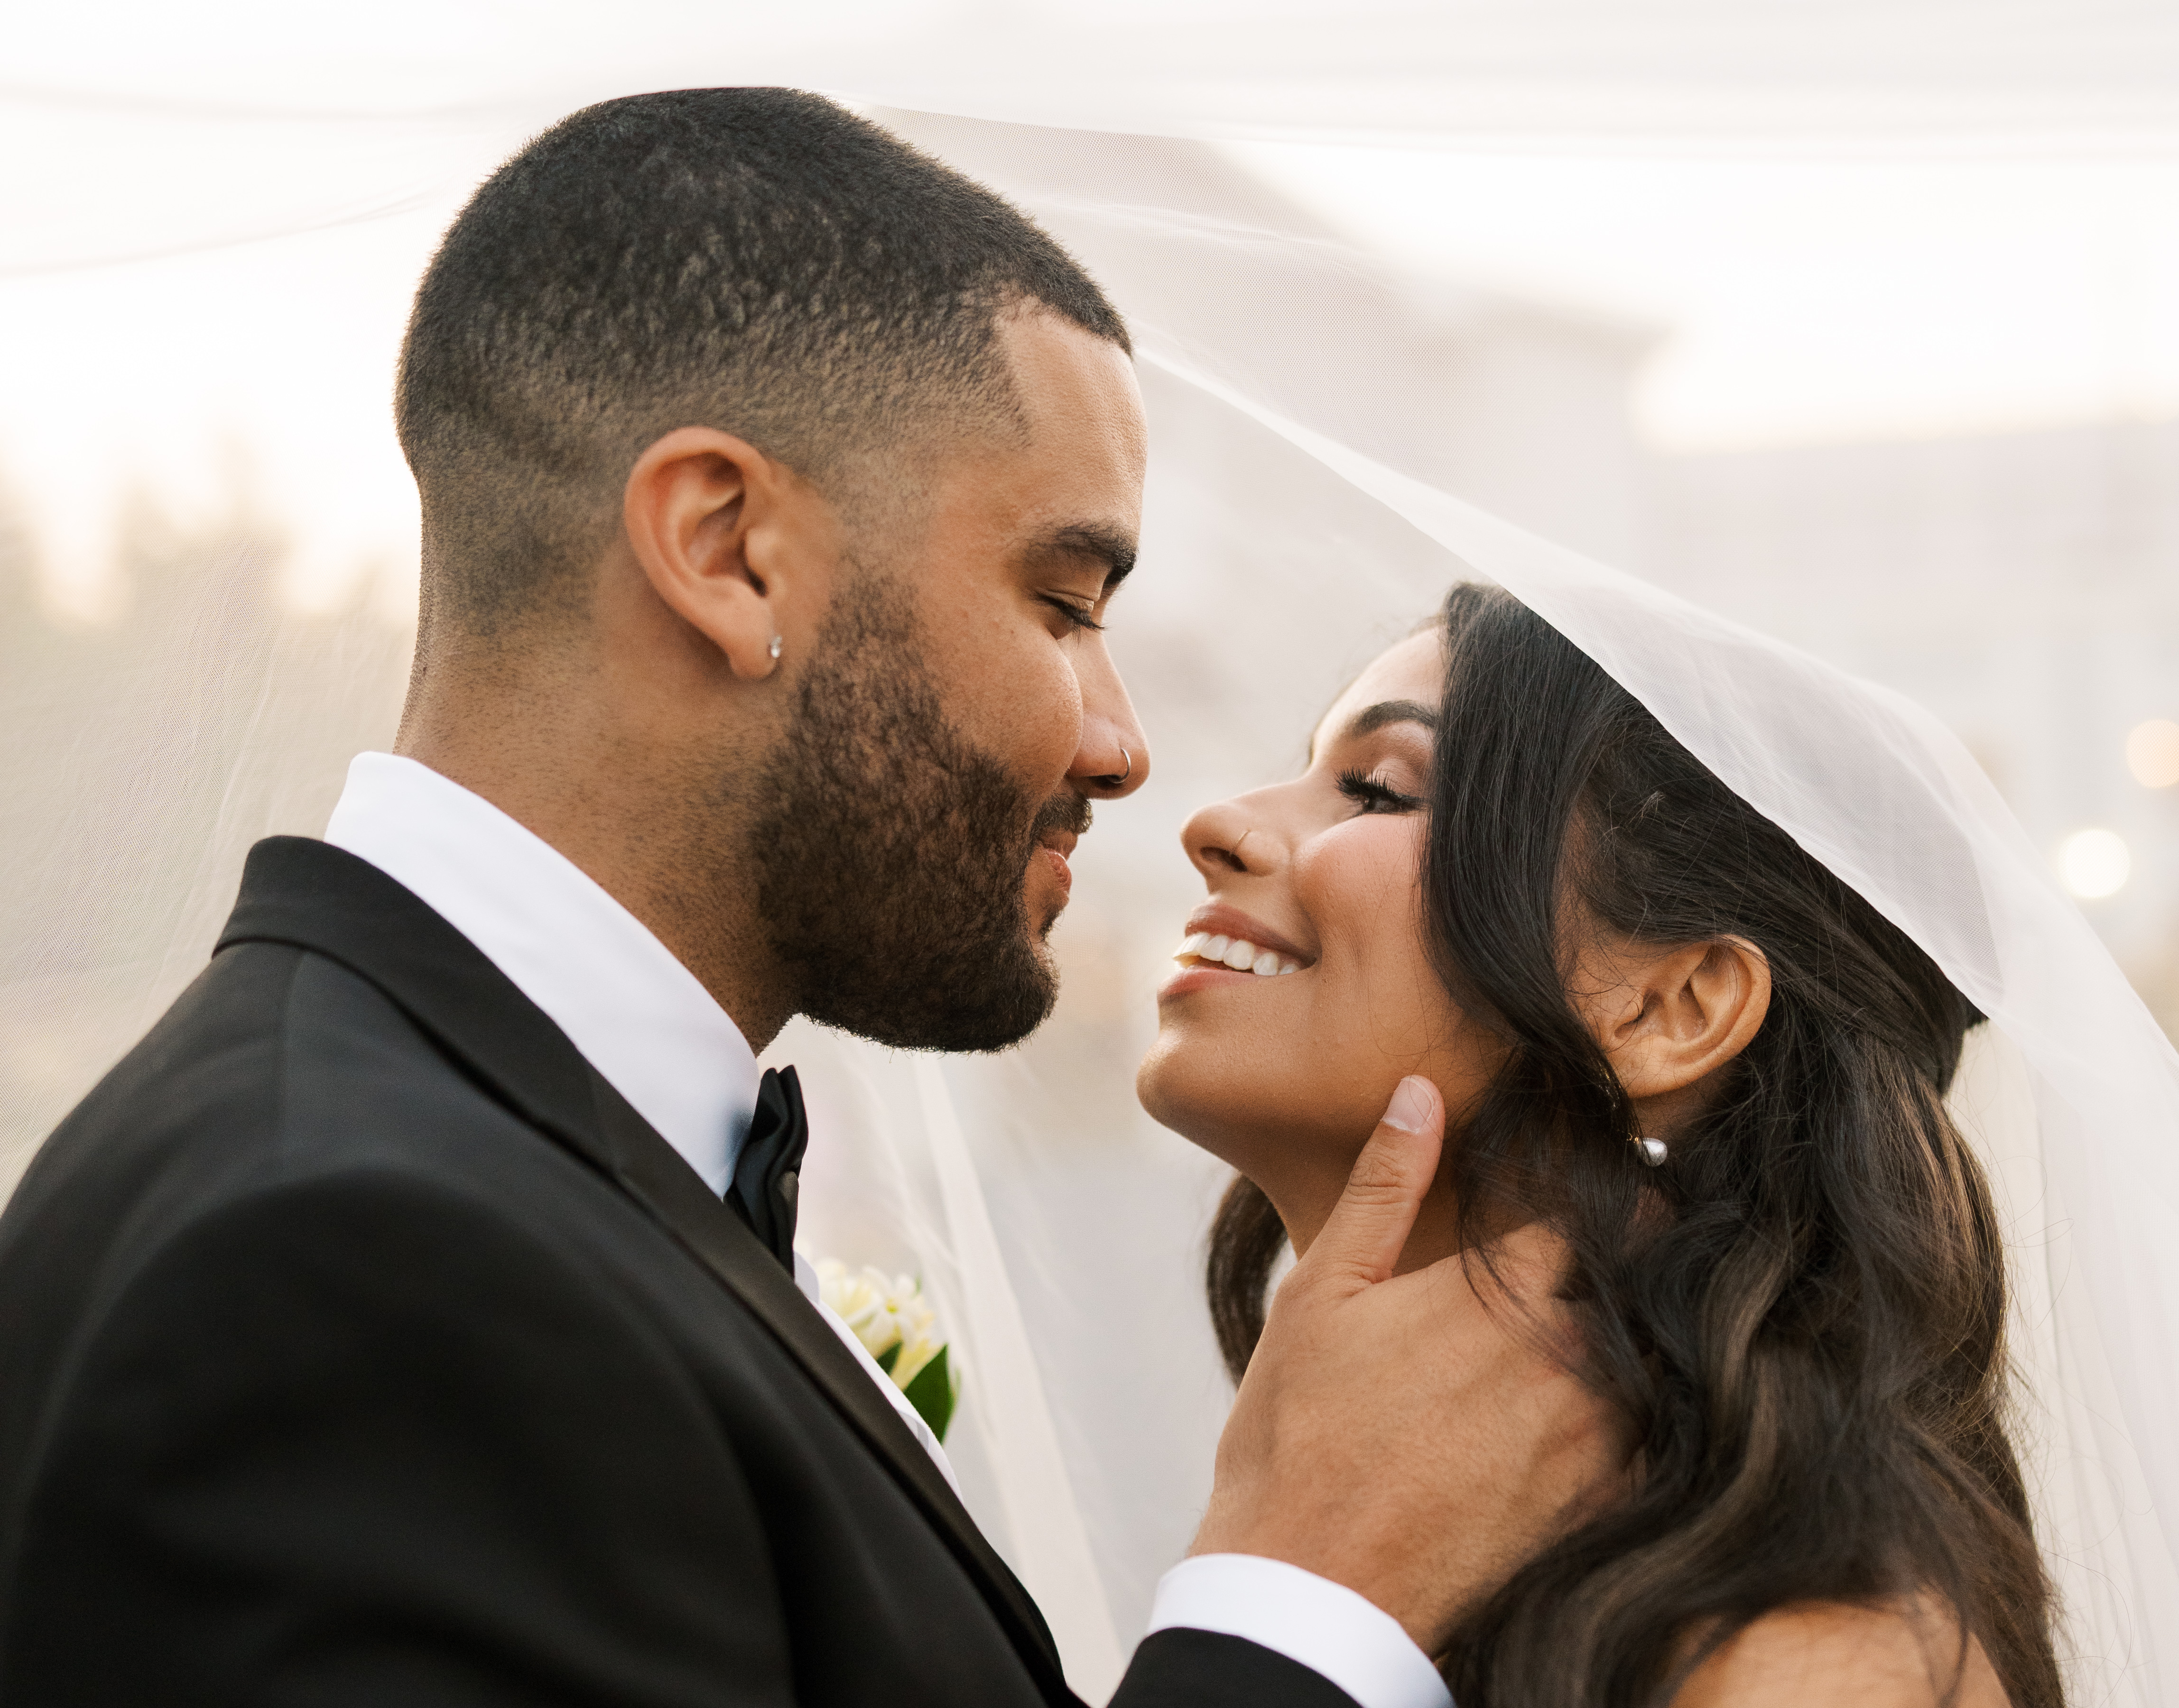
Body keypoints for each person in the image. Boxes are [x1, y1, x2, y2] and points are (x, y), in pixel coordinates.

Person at [0, 92, 1617, 1707]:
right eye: (1058, 603)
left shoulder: (461, 1174)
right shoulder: (349, 1265)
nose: (1122, 748)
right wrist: (1298, 1610)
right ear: (727, 551)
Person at [1140, 581, 2059, 1707]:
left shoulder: (1804, 1659)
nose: (1217, 822)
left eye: (1377, 792)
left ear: (1671, 1007)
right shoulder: (1373, 1528)